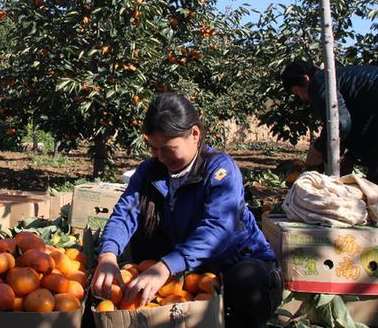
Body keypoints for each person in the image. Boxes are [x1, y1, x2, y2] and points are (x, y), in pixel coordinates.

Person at [91, 92, 282, 328]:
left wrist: (167, 266)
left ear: (194, 134)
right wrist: (108, 255)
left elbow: (218, 228)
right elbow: (125, 213)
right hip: (188, 273)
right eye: (154, 149)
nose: (160, 157)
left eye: (168, 149)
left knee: (247, 284)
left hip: (235, 264)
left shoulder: (219, 170)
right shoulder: (149, 172)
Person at [281, 61, 378, 212]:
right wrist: (350, 157)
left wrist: (318, 149)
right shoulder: (341, 78)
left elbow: (340, 123)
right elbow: (358, 122)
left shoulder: (321, 81)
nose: (302, 99)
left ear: (305, 78)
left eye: (297, 93)